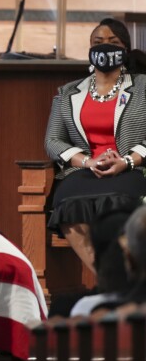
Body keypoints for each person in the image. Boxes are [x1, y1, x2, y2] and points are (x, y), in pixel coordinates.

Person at [45, 17, 146, 272]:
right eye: (98, 42)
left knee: (119, 201)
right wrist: (87, 161)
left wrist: (127, 161)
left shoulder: (143, 87)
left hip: (131, 168)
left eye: (113, 42)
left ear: (125, 48)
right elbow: (52, 140)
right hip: (85, 170)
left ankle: (128, 278)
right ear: (89, 48)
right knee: (69, 204)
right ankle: (108, 280)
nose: (105, 48)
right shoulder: (67, 93)